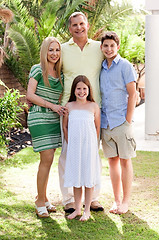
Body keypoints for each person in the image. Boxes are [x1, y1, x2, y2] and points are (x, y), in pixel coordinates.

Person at [58, 11, 104, 213]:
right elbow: (50, 70)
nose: (79, 27)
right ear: (70, 28)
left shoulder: (99, 48)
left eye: (82, 23)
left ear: (87, 25)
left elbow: (113, 62)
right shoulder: (63, 49)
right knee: (67, 154)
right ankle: (68, 199)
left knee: (93, 155)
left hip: (92, 110)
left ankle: (92, 198)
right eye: (74, 25)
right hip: (70, 110)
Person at [26, 37, 67, 218]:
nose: (54, 53)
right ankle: (39, 202)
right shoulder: (37, 69)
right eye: (51, 50)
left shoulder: (61, 74)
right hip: (39, 117)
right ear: (45, 51)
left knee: (48, 161)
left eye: (57, 50)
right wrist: (52, 106)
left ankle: (42, 197)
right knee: (47, 158)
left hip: (54, 119)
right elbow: (29, 95)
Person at [100, 31, 137, 214]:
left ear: (118, 47)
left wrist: (128, 120)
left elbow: (133, 94)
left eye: (112, 45)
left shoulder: (125, 66)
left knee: (125, 161)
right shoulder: (100, 68)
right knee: (112, 162)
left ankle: (126, 201)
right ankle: (116, 200)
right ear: (101, 47)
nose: (108, 49)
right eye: (105, 46)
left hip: (121, 122)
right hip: (105, 124)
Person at [63, 75, 101, 221]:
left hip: (89, 147)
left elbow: (97, 127)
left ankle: (87, 210)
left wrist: (94, 144)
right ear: (74, 90)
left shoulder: (93, 106)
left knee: (88, 177)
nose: (81, 91)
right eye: (78, 88)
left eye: (84, 88)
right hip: (74, 147)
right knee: (77, 177)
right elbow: (65, 126)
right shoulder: (69, 106)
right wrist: (70, 142)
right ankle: (77, 209)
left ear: (88, 90)